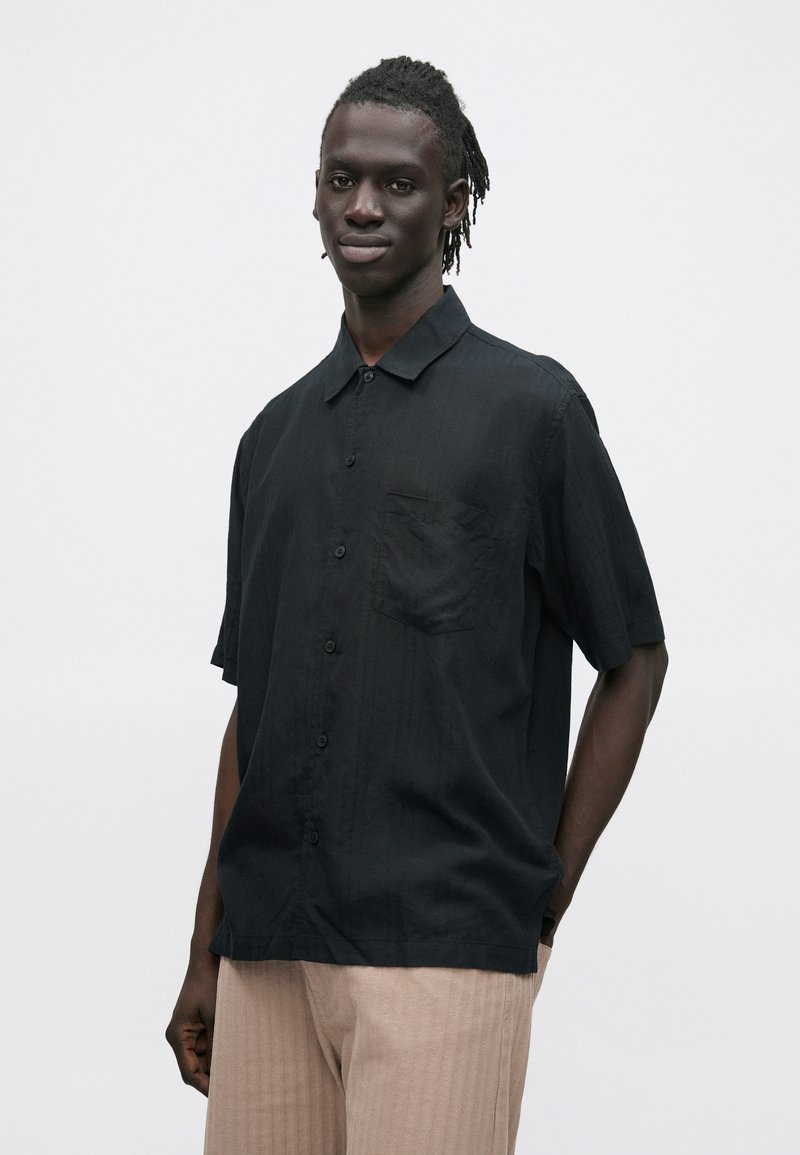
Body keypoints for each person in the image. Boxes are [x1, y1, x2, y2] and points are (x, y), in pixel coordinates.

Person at [166, 55, 668, 1155]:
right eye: (340, 177)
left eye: (397, 183)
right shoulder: (270, 440)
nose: (362, 204)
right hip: (267, 954)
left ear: (452, 204)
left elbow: (635, 657)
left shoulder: (531, 411)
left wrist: (542, 893)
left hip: (446, 948)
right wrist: (206, 946)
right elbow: (255, 707)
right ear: (313, 193)